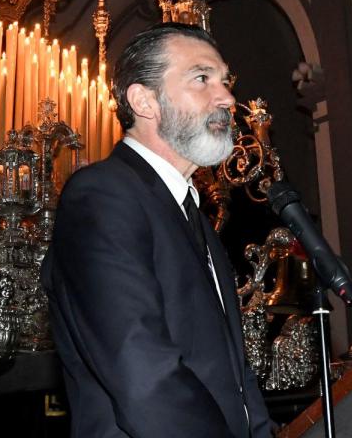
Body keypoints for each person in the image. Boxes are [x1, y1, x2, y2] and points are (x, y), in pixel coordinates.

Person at [43, 22, 272, 437]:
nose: (227, 98)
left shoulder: (194, 216)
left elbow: (236, 377)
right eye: (202, 78)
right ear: (144, 101)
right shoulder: (102, 195)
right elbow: (142, 374)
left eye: (225, 81)